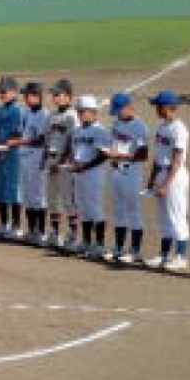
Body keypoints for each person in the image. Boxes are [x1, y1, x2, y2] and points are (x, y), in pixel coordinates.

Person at [146, 91, 190, 271]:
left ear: (167, 107)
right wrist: (152, 180)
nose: (156, 109)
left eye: (158, 106)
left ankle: (181, 256)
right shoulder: (162, 127)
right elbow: (158, 156)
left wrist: (166, 184)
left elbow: (177, 159)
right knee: (164, 216)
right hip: (162, 173)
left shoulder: (179, 129)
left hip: (175, 176)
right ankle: (164, 254)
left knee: (177, 215)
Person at [106, 93, 149, 263]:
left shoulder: (140, 127)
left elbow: (143, 155)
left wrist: (120, 156)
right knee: (118, 211)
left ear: (128, 107)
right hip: (116, 171)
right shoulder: (116, 124)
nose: (117, 114)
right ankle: (119, 247)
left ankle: (135, 251)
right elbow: (113, 144)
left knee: (133, 211)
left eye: (119, 111)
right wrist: (112, 156)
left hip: (132, 173)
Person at [71, 95, 110, 259]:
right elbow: (76, 152)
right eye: (79, 111)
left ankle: (99, 245)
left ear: (93, 112)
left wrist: (85, 167)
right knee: (83, 207)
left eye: (83, 111)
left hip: (94, 174)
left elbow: (104, 156)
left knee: (94, 208)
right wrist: (74, 164)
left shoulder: (100, 131)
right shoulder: (77, 131)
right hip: (79, 172)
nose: (80, 115)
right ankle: (86, 242)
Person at [10, 81, 49, 245]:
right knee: (27, 195)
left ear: (36, 96)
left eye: (27, 95)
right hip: (25, 156)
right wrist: (13, 139)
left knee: (38, 195)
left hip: (37, 157)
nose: (25, 98)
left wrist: (20, 142)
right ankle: (32, 230)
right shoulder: (25, 113)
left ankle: (41, 232)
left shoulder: (44, 115)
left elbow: (42, 140)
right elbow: (21, 132)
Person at [44, 79, 79, 249]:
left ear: (69, 96)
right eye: (54, 94)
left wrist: (59, 162)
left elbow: (72, 142)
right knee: (52, 199)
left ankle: (73, 235)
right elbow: (47, 139)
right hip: (51, 161)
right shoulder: (51, 116)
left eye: (59, 94)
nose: (55, 97)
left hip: (65, 164)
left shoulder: (73, 116)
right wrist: (45, 161)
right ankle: (54, 233)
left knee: (68, 200)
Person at [0, 76, 23, 238]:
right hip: (0, 153)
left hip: (13, 155)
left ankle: (16, 225)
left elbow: (17, 133)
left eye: (5, 91)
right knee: (1, 189)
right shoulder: (0, 110)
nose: (2, 94)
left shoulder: (17, 110)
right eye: (0, 91)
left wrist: (4, 146)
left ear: (13, 92)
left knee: (13, 190)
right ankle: (4, 224)